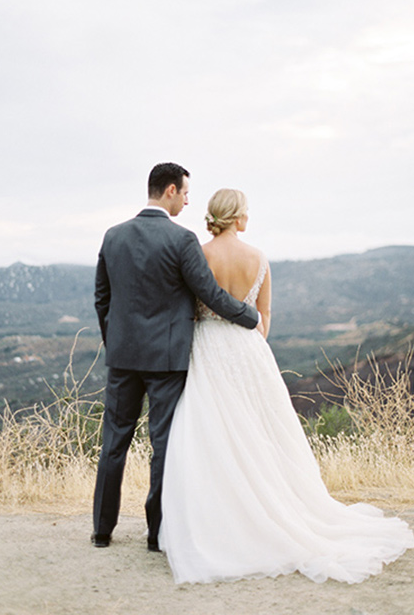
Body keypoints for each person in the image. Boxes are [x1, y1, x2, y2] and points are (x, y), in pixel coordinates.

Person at [159, 188, 414, 584]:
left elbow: (188, 309)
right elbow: (264, 316)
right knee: (261, 434)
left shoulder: (201, 256)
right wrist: (250, 348)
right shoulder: (258, 257)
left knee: (211, 434)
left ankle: (222, 521)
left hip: (207, 347)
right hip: (248, 349)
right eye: (246, 212)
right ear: (237, 216)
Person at [92, 164, 259, 550]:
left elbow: (102, 298)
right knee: (163, 445)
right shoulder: (181, 240)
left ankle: (102, 531)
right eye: (185, 193)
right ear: (169, 190)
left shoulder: (113, 236)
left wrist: (113, 341)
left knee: (113, 442)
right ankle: (156, 534)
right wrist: (250, 317)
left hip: (122, 358)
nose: (187, 200)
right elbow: (210, 294)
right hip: (167, 361)